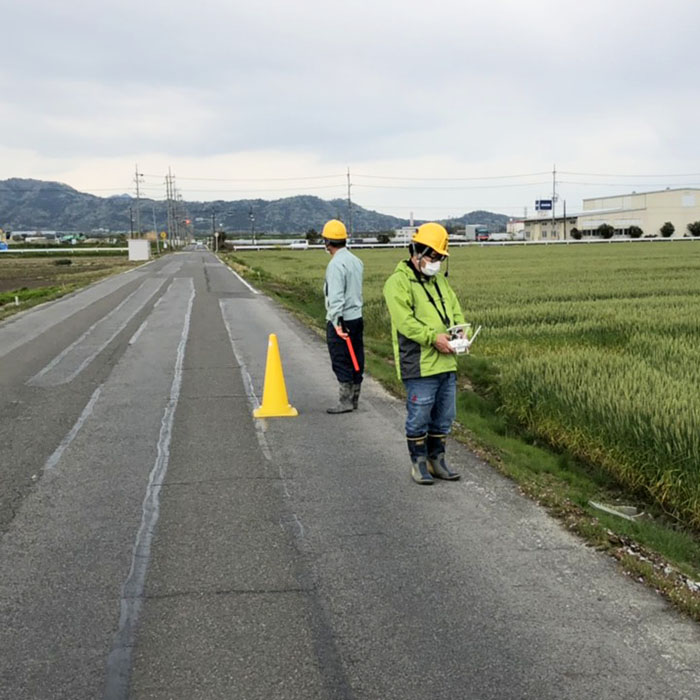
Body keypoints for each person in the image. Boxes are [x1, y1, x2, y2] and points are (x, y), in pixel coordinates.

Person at [383, 222, 467, 484]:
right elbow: (405, 322)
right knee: (419, 416)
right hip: (419, 364)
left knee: (444, 417)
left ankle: (437, 461)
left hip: (446, 362)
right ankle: (418, 464)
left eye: (440, 257)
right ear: (417, 251)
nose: (436, 262)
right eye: (432, 256)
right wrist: (433, 338)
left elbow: (454, 310)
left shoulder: (440, 282)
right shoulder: (397, 283)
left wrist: (461, 332)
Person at [322, 219, 364, 413]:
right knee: (356, 357)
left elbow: (336, 296)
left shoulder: (335, 265)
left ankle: (345, 400)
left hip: (341, 320)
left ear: (327, 241)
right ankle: (355, 398)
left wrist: (336, 321)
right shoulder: (356, 261)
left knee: (340, 358)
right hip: (356, 317)